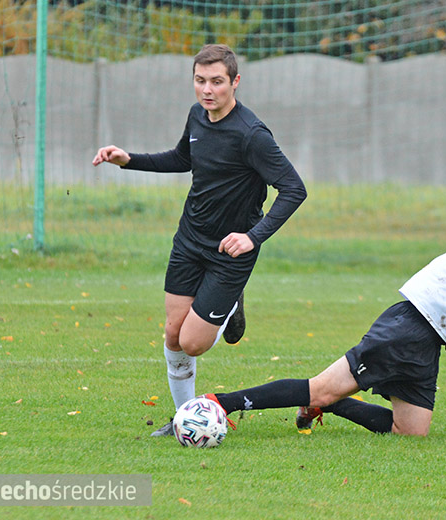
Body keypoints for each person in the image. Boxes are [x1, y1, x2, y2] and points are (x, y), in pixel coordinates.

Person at [199, 141, 446, 437]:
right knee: (318, 388)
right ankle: (222, 402)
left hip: (430, 343)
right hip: (407, 327)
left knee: (410, 432)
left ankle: (332, 406)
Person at [92, 44, 307, 437]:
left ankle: (229, 304)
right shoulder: (197, 116)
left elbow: (294, 188)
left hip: (230, 250)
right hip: (189, 240)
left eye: (217, 82)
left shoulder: (252, 134)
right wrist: (129, 160)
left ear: (235, 82)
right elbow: (181, 158)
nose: (208, 90)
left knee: (192, 343)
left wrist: (252, 237)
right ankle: (182, 422)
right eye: (200, 81)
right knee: (173, 333)